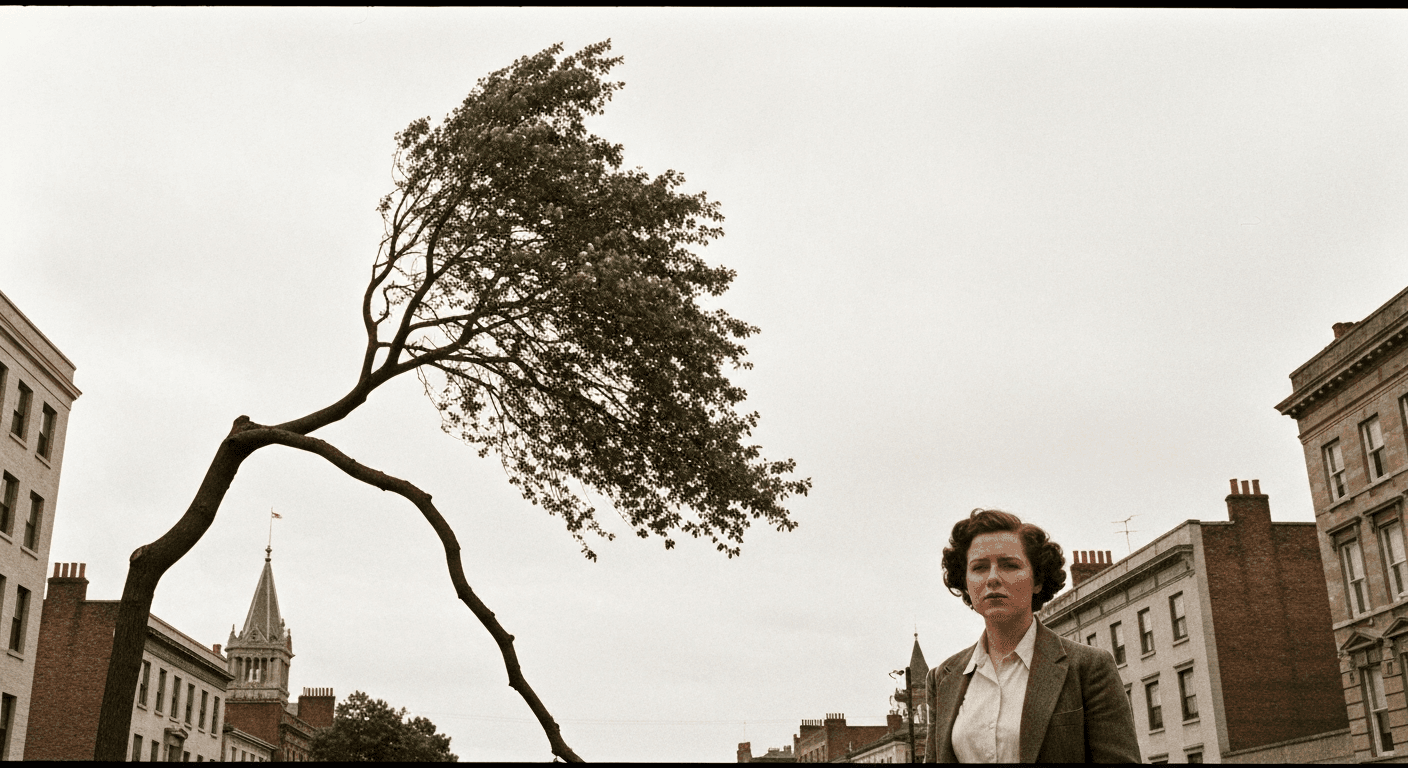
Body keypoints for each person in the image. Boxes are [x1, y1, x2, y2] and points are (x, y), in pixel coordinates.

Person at [923, 509, 1139, 763]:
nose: (992, 578)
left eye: (1009, 565)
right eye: (979, 567)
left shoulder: (1088, 668)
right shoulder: (943, 678)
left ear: (1037, 581)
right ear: (966, 582)